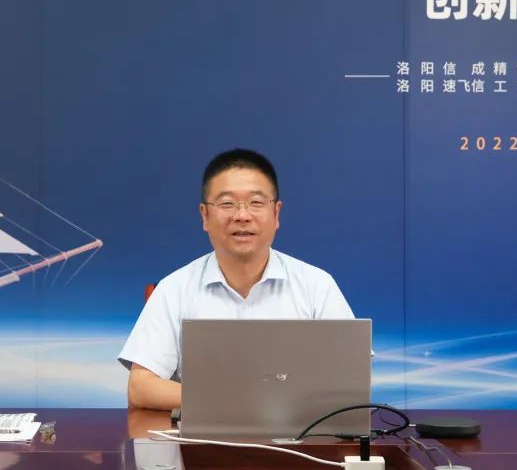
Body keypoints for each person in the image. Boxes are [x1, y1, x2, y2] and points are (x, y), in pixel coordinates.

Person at [117, 148, 355, 410]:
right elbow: (141, 387)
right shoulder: (174, 289)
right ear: (205, 216)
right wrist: (235, 400)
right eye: (227, 203)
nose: (242, 215)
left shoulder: (317, 286)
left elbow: (349, 379)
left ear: (276, 214)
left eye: (256, 202)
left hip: (297, 433)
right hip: (203, 434)